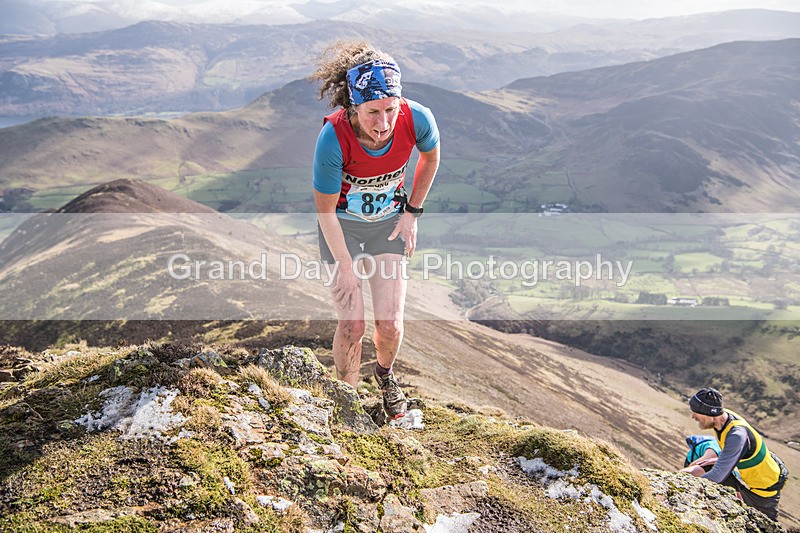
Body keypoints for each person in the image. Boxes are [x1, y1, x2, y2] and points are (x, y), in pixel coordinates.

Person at [310, 41, 440, 421]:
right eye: (372, 113)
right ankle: (347, 403)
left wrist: (412, 213)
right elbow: (325, 212)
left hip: (388, 222)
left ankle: (384, 376)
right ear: (353, 107)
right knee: (352, 323)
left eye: (389, 110)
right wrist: (345, 267)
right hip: (341, 227)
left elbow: (431, 157)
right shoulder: (332, 138)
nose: (383, 124)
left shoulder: (417, 118)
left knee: (390, 325)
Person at [686, 387, 788, 522]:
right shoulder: (723, 419)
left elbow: (717, 476)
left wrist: (685, 488)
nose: (693, 416)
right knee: (702, 467)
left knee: (765, 525)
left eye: (696, 412)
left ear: (709, 413)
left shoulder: (737, 435)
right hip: (747, 475)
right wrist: (722, 459)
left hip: (763, 489)